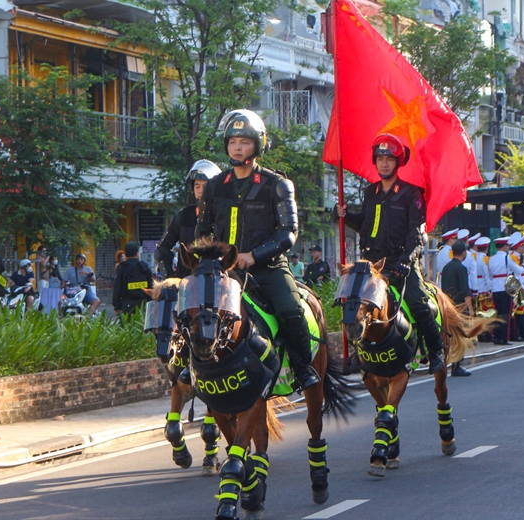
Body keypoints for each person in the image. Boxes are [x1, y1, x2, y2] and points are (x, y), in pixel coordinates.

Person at [196, 109, 320, 390]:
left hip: (268, 268)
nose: (237, 148)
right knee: (191, 311)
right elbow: (201, 232)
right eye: (232, 142)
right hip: (225, 272)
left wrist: (254, 255)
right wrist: (212, 259)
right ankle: (192, 369)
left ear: (257, 145)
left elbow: (289, 233)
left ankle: (303, 368)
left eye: (244, 142)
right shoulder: (214, 187)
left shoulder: (277, 184)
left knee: (291, 311)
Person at [334, 132, 447, 374]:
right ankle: (357, 352)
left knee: (419, 304)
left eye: (389, 159)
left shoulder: (411, 194)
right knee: (353, 302)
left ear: (398, 163)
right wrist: (345, 216)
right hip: (371, 264)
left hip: (399, 262)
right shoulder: (370, 192)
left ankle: (436, 350)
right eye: (380, 159)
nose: (384, 163)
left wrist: (407, 261)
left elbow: (417, 234)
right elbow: (366, 224)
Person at [156, 159, 221, 279]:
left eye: (205, 185)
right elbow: (161, 249)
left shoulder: (223, 216)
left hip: (217, 282)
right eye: (197, 186)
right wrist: (171, 279)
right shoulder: (184, 216)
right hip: (187, 286)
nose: (201, 190)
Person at [438, 240, 472, 377]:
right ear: (464, 253)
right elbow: (464, 290)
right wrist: (470, 308)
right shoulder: (461, 268)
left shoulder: (446, 267)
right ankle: (457, 366)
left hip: (447, 304)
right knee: (460, 337)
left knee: (449, 336)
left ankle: (446, 363)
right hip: (459, 305)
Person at [113, 242, 154, 316]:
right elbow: (151, 285)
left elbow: (117, 287)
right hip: (143, 304)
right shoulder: (144, 267)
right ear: (137, 253)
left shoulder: (122, 268)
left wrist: (117, 306)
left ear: (126, 254)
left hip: (127, 304)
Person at [489, 236, 512, 344]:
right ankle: (504, 337)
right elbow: (518, 269)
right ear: (503, 246)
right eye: (507, 245)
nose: (508, 247)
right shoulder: (507, 258)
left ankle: (497, 337)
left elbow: (489, 275)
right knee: (505, 314)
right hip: (504, 288)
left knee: (497, 313)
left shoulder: (491, 258)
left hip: (495, 288)